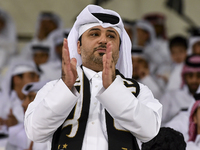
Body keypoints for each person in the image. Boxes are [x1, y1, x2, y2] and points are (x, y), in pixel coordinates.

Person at [24, 4, 162, 150]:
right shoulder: (54, 88)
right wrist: (65, 89)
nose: (103, 40)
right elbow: (35, 132)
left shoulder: (138, 90)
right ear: (78, 46)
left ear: (119, 49)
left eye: (111, 35)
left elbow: (150, 132)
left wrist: (113, 88)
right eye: (94, 34)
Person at [5, 81, 49, 150]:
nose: (23, 104)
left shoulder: (60, 135)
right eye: (25, 98)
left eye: (31, 98)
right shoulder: (16, 133)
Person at [160, 54, 200, 125]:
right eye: (190, 76)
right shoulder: (170, 96)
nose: (194, 80)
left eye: (198, 76)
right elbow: (157, 124)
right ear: (184, 76)